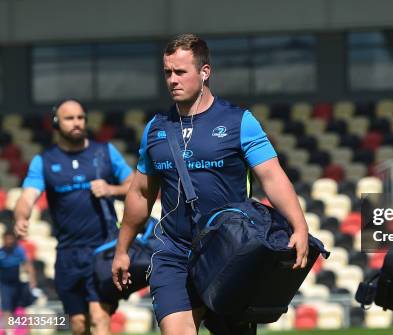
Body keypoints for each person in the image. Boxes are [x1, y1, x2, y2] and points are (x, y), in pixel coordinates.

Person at [111, 33, 309, 335]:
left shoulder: (239, 121)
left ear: (205, 72)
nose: (172, 80)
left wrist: (299, 226)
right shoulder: (155, 128)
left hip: (230, 253)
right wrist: (122, 249)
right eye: (167, 72)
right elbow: (140, 193)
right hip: (174, 253)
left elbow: (272, 176)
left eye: (181, 72)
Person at [13, 99, 134, 335]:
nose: (77, 123)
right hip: (68, 253)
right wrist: (21, 218)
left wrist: (111, 189)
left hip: (103, 249)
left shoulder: (105, 152)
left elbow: (133, 186)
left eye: (80, 118)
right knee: (78, 324)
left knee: (100, 317)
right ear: (57, 123)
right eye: (69, 118)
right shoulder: (44, 161)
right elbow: (27, 197)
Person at [0, 229, 36, 334]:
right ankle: (9, 332)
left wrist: (32, 280)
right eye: (8, 239)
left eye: (11, 239)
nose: (10, 241)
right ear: (4, 239)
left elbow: (28, 265)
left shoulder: (19, 251)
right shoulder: (1, 252)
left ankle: (26, 331)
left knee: (22, 308)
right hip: (5, 285)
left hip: (19, 284)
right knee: (7, 308)